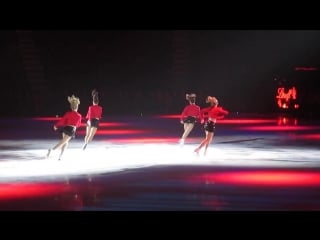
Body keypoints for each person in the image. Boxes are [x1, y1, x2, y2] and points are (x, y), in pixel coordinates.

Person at [46, 95, 82, 160]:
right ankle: (51, 150)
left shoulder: (68, 113)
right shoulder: (79, 115)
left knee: (65, 142)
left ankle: (60, 156)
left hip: (65, 128)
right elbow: (78, 125)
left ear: (71, 107)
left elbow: (62, 120)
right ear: (77, 107)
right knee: (62, 142)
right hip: (71, 130)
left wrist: (56, 125)